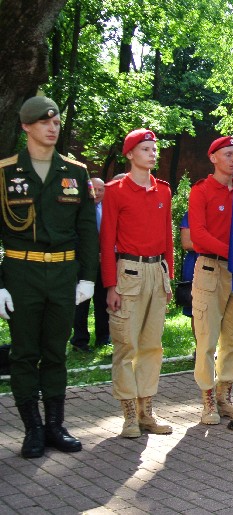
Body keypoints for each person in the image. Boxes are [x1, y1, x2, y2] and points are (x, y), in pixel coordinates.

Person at [0, 96, 97, 458]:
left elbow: (87, 230)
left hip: (62, 272)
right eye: (44, 122)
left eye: (55, 123)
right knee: (25, 354)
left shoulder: (75, 172)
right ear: (26, 126)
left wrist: (87, 277)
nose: (52, 128)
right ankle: (32, 430)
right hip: (21, 272)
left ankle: (56, 425)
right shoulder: (5, 171)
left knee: (56, 352)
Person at [101, 128, 174, 438]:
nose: (152, 154)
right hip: (128, 272)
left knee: (151, 345)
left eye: (154, 149)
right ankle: (129, 414)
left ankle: (147, 411)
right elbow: (106, 242)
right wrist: (110, 285)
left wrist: (167, 276)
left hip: (156, 271)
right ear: (129, 154)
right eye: (145, 149)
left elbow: (168, 238)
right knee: (126, 345)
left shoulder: (164, 191)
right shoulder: (115, 191)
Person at [189, 136, 233, 424]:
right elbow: (198, 234)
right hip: (211, 270)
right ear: (213, 157)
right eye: (227, 154)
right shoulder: (201, 191)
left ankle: (225, 395)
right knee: (207, 339)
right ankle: (208, 401)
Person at [71, 177, 110, 352]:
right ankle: (79, 341)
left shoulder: (109, 210)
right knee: (81, 303)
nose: (96, 193)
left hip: (104, 263)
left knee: (102, 302)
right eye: (93, 189)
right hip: (82, 264)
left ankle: (103, 338)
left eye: (100, 189)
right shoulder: (76, 210)